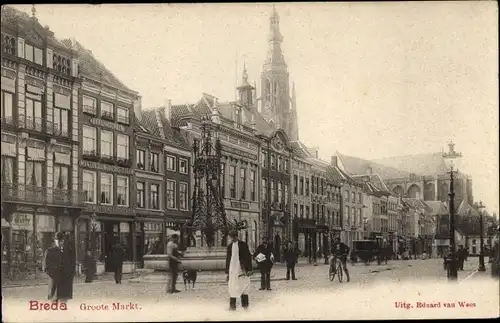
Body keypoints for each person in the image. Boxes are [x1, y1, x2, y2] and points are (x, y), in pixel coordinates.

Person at [225, 229, 253, 311]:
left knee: (243, 287)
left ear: (237, 236)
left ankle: (245, 306)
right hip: (232, 270)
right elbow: (228, 259)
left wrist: (249, 269)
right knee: (232, 287)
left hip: (242, 269)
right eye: (231, 238)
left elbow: (248, 257)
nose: (232, 239)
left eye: (233, 237)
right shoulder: (229, 246)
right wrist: (227, 272)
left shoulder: (243, 245)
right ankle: (232, 306)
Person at [44, 232, 74, 302]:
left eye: (62, 241)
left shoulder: (68, 252)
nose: (60, 243)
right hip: (55, 284)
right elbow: (45, 268)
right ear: (55, 240)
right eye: (58, 241)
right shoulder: (49, 251)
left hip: (65, 284)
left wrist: (69, 276)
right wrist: (55, 274)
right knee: (54, 305)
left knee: (64, 304)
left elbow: (71, 265)